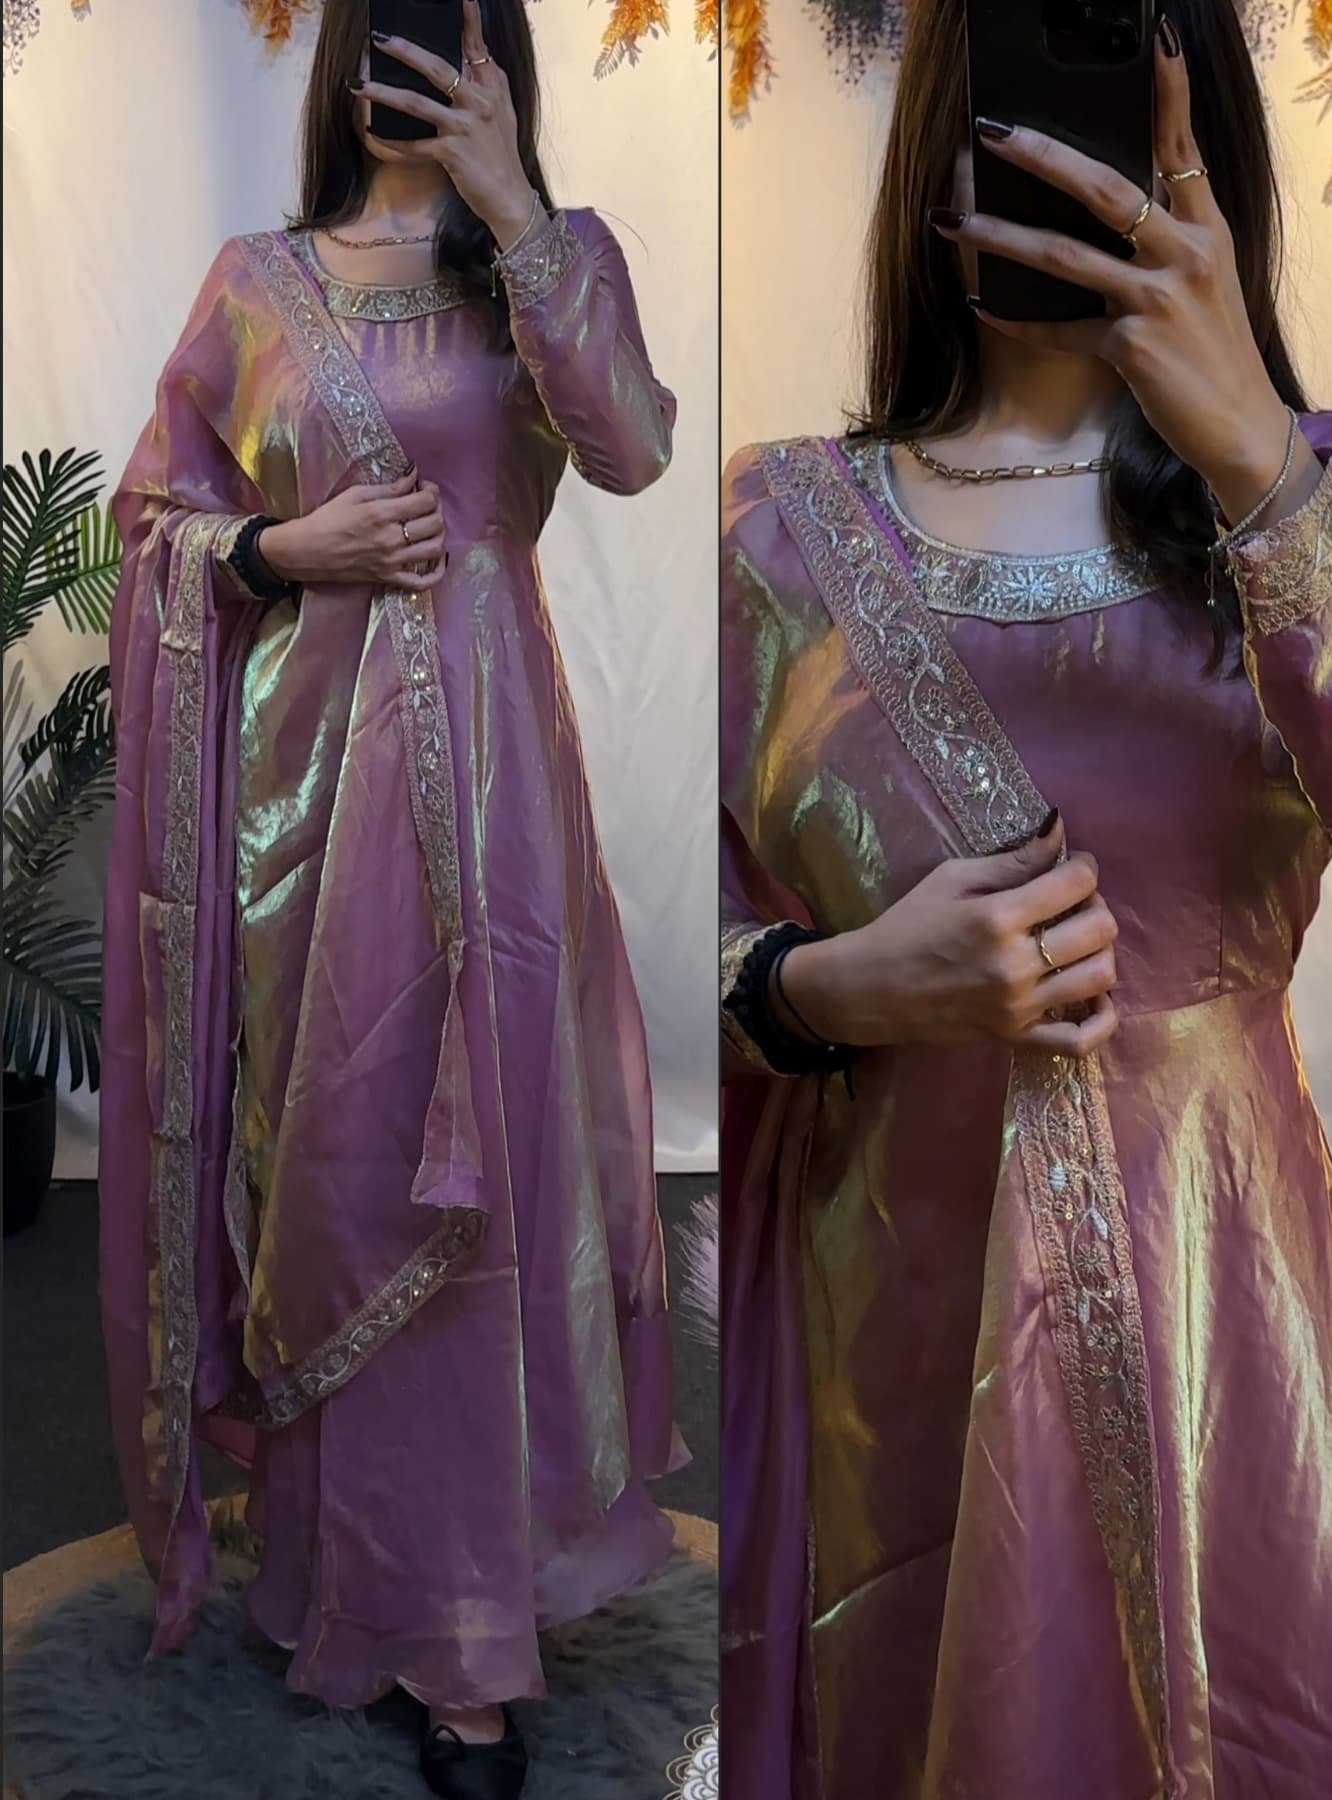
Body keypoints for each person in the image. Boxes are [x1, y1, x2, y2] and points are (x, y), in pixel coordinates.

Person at [718, 6, 1332, 1797]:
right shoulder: (781, 535)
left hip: (1225, 1328)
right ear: (943, 136)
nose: (1059, 159)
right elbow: (650, 959)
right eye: (1016, 108)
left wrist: (1254, 459)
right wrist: (829, 988)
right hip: (897, 1327)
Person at [99, 4, 686, 1795]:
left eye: (448, 44)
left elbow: (632, 445)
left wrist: (517, 210)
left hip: (499, 812)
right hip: (304, 827)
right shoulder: (255, 285)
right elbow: (154, 524)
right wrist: (291, 546)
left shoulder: (546, 269)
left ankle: (466, 1632)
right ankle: (336, 1572)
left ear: (497, 66)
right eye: (383, 38)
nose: (406, 74)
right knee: (339, 1174)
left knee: (492, 1172)